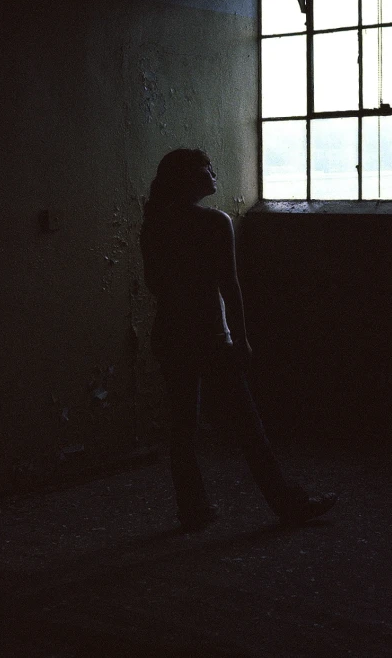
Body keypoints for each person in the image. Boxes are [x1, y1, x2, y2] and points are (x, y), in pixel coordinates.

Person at [140, 147, 337, 530]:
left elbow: (153, 284)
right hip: (212, 339)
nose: (213, 171)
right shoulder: (215, 222)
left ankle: (193, 510)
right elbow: (230, 285)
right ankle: (287, 504)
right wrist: (242, 338)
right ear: (188, 178)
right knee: (249, 427)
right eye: (206, 167)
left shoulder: (156, 222)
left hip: (170, 335)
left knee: (183, 429)